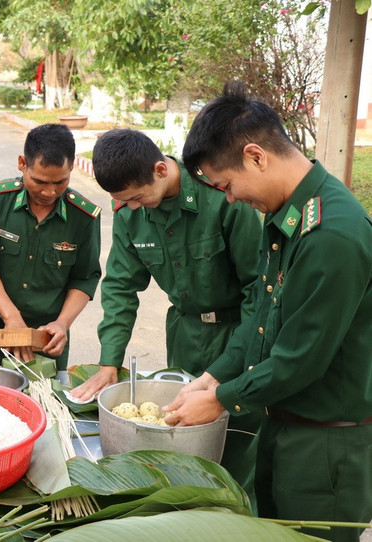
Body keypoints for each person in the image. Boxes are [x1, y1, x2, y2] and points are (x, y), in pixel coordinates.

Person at [164, 81, 372, 542]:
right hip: (283, 425)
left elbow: (301, 357)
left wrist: (219, 401)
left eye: (227, 185)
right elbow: (259, 315)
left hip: (326, 444)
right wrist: (213, 377)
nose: (231, 199)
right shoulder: (285, 217)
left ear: (257, 156)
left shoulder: (331, 233)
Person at [68, 129, 262, 502]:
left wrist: (235, 361)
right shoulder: (130, 210)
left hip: (241, 332)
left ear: (160, 169)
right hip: (186, 334)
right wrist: (109, 361)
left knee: (238, 445)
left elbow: (259, 288)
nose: (134, 208)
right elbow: (121, 287)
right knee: (185, 446)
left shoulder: (221, 195)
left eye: (138, 197)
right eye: (126, 201)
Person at [0, 123, 101, 372]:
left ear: (72, 167)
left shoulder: (83, 216)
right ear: (22, 163)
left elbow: (84, 277)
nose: (49, 192)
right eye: (39, 181)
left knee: (45, 403)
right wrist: (11, 317)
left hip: (48, 339)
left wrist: (62, 324)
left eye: (60, 182)